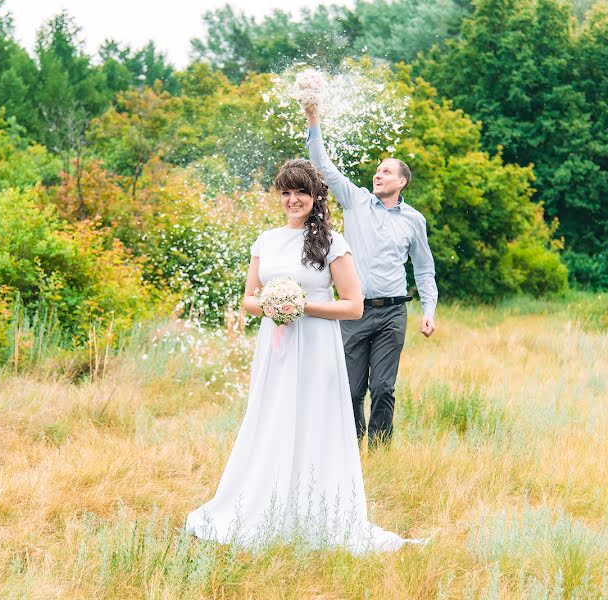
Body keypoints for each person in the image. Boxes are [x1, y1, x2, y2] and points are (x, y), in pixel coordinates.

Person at [184, 159, 423, 553]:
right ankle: (264, 499)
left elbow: (353, 306)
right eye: (286, 192)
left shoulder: (333, 243)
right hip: (275, 348)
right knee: (272, 416)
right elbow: (248, 300)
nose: (293, 200)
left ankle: (316, 506)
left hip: (316, 347)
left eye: (301, 192)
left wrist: (302, 305)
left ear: (316, 197)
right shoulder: (266, 240)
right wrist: (272, 306)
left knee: (313, 418)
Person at [304, 104, 438, 448]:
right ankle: (351, 452)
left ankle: (380, 455)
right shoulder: (356, 201)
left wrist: (428, 312)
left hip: (393, 311)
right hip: (355, 310)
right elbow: (323, 166)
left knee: (382, 388)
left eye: (387, 172)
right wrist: (313, 120)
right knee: (350, 389)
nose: (378, 175)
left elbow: (424, 269)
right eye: (378, 171)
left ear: (402, 181)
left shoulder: (414, 220)